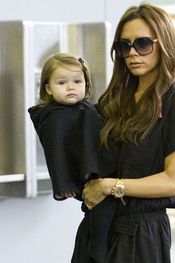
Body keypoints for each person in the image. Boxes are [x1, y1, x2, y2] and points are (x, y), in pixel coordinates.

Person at [72, 3, 175, 263]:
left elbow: (173, 181)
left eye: (143, 44)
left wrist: (111, 187)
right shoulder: (115, 100)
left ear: (163, 43)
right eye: (124, 46)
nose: (132, 53)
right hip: (97, 228)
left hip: (141, 233)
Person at [28, 53, 118, 263]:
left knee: (108, 202)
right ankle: (97, 243)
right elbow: (55, 153)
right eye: (62, 82)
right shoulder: (54, 117)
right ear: (48, 88)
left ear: (86, 84)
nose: (71, 87)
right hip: (84, 174)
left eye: (77, 81)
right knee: (102, 203)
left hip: (100, 167)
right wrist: (64, 184)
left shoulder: (88, 108)